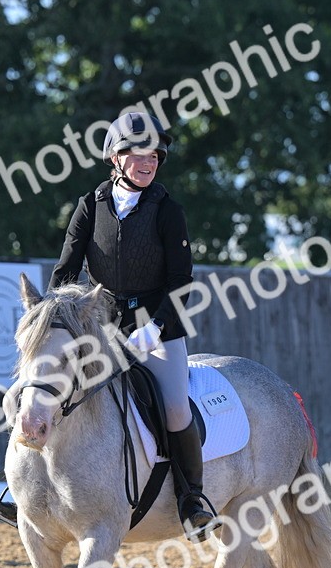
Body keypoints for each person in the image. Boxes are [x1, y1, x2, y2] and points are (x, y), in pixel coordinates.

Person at [47, 111, 216, 540]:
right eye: (138, 155)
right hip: (100, 324)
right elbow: (65, 272)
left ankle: (192, 499)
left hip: (156, 326)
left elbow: (181, 280)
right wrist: (57, 320)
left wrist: (156, 326)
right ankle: (25, 489)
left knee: (175, 407)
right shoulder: (90, 206)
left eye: (154, 156)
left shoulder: (168, 211)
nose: (148, 162)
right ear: (116, 158)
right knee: (51, 385)